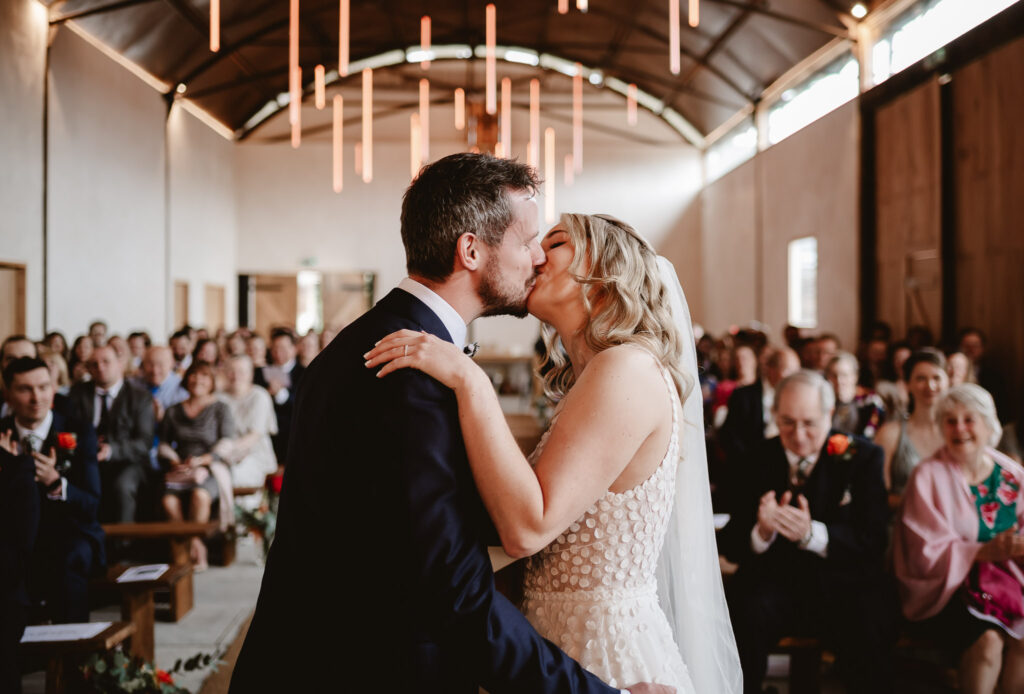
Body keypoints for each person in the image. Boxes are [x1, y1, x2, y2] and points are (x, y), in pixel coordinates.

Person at [232, 155, 677, 694]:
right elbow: (451, 586)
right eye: (530, 240)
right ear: (470, 250)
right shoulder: (406, 368)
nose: (537, 258)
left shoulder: (395, 345)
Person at [365, 209, 741, 692]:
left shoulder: (626, 368)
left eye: (557, 241)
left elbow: (529, 526)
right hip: (554, 648)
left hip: (607, 660)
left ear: (606, 274)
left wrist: (469, 380)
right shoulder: (601, 374)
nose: (536, 254)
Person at [718, 370, 893, 694]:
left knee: (872, 620)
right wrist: (761, 532)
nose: (798, 435)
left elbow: (874, 540)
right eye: (787, 422)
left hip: (842, 585)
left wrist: (813, 535)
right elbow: (729, 541)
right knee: (740, 611)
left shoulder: (862, 456)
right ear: (774, 416)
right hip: (773, 586)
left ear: (829, 414)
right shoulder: (755, 457)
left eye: (810, 423)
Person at [893, 384, 1024, 693]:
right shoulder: (927, 475)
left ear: (988, 424)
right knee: (988, 641)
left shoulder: (1012, 474)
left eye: (969, 419)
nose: (959, 428)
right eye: (950, 421)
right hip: (947, 590)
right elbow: (921, 552)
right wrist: (981, 552)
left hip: (1010, 586)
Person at [0, 357, 105, 623]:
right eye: (25, 389)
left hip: (69, 530)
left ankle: (73, 653)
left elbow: (92, 504)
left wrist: (57, 483)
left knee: (68, 557)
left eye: (44, 387)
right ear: (8, 395)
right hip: (15, 537)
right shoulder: (2, 435)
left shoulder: (78, 431)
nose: (37, 398)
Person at [158, 362, 236, 569]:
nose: (197, 380)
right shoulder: (174, 410)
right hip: (181, 469)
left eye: (204, 376)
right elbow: (163, 443)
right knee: (168, 501)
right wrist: (175, 461)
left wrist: (202, 461)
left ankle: (194, 545)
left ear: (211, 381)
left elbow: (227, 443)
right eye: (193, 375)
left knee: (199, 496)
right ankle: (188, 549)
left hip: (211, 467)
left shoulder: (221, 408)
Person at [68, 346, 156, 523]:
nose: (100, 367)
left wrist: (111, 450)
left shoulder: (140, 397)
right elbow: (69, 429)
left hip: (127, 461)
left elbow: (144, 443)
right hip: (86, 457)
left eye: (106, 362)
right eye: (94, 364)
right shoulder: (78, 393)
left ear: (120, 364)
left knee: (122, 486)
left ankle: (123, 544)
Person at [875, 348, 949, 505]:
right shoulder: (890, 433)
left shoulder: (958, 432)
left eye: (937, 378)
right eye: (921, 378)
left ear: (947, 381)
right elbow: (877, 495)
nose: (930, 385)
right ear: (907, 384)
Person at [219, 355, 278, 507]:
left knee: (237, 475)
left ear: (250, 374)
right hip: (224, 453)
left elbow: (254, 435)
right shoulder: (219, 397)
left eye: (241, 371)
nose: (236, 376)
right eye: (231, 371)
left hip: (255, 452)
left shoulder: (260, 396)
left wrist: (228, 451)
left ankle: (245, 520)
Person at [253, 328, 305, 465]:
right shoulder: (260, 373)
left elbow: (304, 403)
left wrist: (282, 395)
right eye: (274, 348)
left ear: (294, 349)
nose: (278, 352)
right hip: (266, 430)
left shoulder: (304, 373)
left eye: (283, 348)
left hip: (293, 431)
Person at [825, 351, 884, 439]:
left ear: (855, 376)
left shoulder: (870, 400)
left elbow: (872, 435)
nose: (839, 381)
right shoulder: (825, 400)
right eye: (834, 375)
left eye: (844, 375)